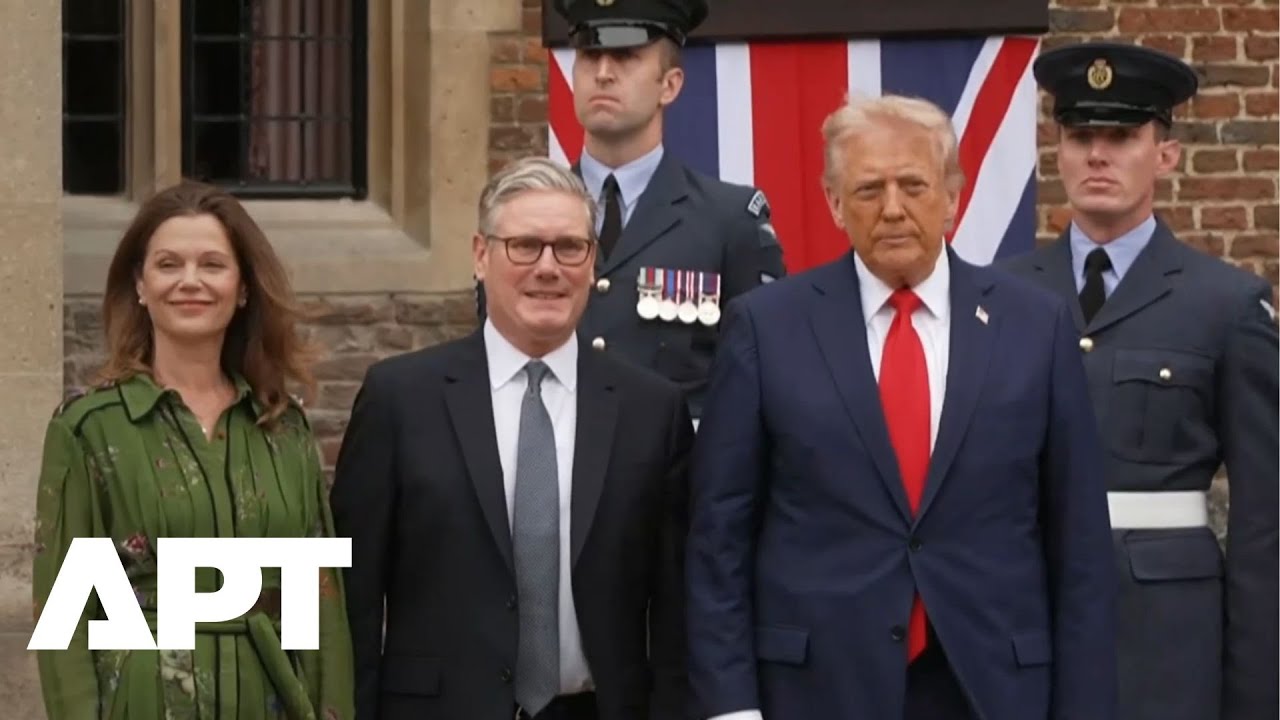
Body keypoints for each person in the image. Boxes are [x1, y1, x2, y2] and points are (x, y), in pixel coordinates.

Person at [685, 94, 1117, 720]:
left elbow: (1077, 541)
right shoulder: (767, 327)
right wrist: (730, 707)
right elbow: (718, 536)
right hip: (817, 688)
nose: (892, 208)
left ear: (952, 196)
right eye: (867, 189)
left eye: (913, 185)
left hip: (990, 685)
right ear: (833, 203)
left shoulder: (1035, 325)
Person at [332, 157, 694, 720]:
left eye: (569, 247)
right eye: (524, 246)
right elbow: (352, 588)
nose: (548, 267)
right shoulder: (400, 398)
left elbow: (676, 609)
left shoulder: (652, 410)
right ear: (481, 255)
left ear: (591, 259)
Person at [1000, 42, 1280, 720]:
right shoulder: (997, 295)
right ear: (1057, 150)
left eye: (1122, 136)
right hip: (1022, 624)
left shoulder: (1227, 304)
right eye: (1080, 135)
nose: (1097, 154)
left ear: (1166, 155)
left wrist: (1258, 692)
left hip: (1166, 639)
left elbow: (1265, 519)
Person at [31, 181, 354, 719]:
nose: (190, 281)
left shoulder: (283, 429)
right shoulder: (90, 429)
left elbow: (318, 609)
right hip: (143, 699)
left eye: (212, 264)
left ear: (243, 287)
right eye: (167, 264)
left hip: (269, 696)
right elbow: (66, 625)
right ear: (139, 284)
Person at [479, 0, 785, 427]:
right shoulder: (519, 217)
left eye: (625, 57)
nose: (602, 72)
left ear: (670, 85)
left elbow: (761, 378)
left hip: (675, 478)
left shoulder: (728, 220)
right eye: (589, 56)